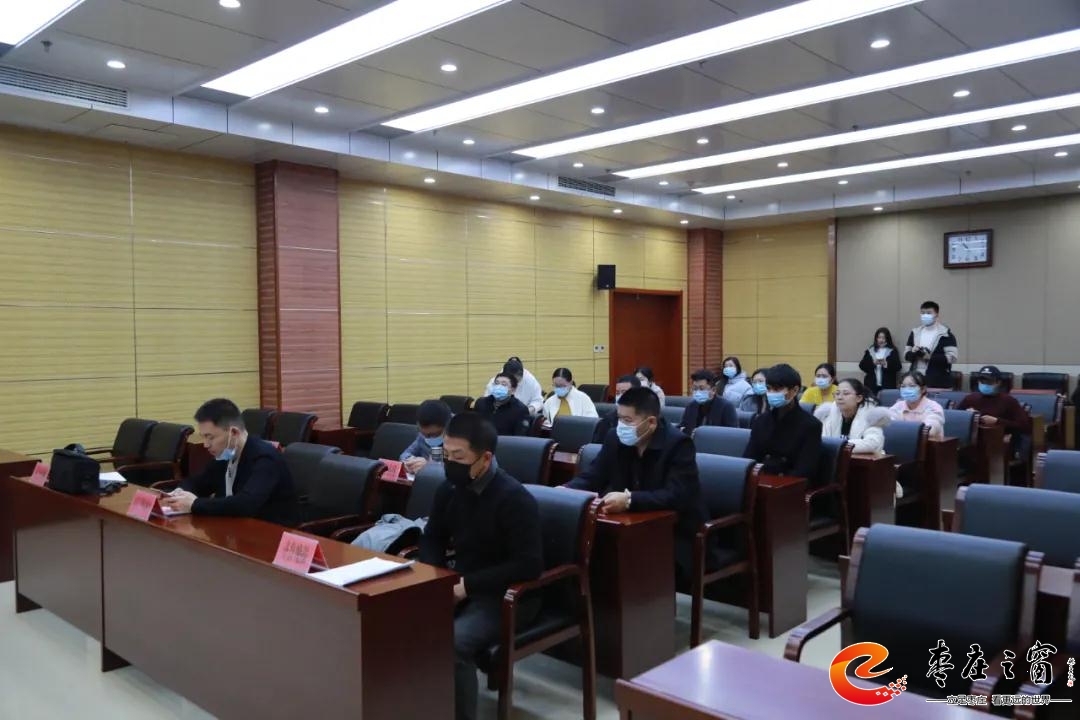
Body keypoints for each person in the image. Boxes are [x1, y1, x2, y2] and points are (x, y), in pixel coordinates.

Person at [418, 413, 542, 720]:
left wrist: (467, 586)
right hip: (461, 584)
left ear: (485, 459)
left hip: (507, 596)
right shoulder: (449, 489)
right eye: (446, 455)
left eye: (459, 457)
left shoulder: (515, 499)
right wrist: (435, 577)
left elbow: (528, 565)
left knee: (453, 643)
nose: (450, 464)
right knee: (401, 620)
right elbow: (432, 537)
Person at [568, 386, 712, 583]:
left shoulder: (678, 444)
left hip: (676, 532)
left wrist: (630, 500)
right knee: (593, 553)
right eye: (619, 418)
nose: (621, 426)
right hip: (630, 526)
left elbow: (676, 495)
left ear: (651, 422)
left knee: (631, 564)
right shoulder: (614, 437)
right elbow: (593, 476)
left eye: (627, 421)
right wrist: (566, 491)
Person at [160, 398, 298, 525]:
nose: (206, 444)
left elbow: (246, 504)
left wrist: (194, 504)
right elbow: (198, 482)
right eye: (204, 437)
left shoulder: (265, 458)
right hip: (233, 526)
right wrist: (179, 493)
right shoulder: (226, 454)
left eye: (210, 437)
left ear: (234, 433)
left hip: (268, 531)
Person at [744, 364, 822, 483]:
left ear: (795, 390)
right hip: (759, 482)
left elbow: (805, 471)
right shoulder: (761, 421)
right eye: (768, 388)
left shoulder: (810, 425)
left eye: (777, 389)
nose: (771, 393)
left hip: (787, 485)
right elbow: (749, 459)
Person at [958, 366, 1031, 456]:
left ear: (998, 382)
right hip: (972, 442)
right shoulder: (970, 399)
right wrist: (966, 416)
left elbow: (1024, 426)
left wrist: (997, 421)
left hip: (998, 442)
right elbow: (954, 419)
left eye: (989, 382)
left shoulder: (1008, 401)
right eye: (982, 381)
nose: (985, 384)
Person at [815, 379, 892, 454]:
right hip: (837, 459)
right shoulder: (829, 415)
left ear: (859, 398)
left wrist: (838, 445)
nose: (840, 397)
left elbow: (872, 444)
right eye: (837, 393)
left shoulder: (871, 417)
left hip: (865, 460)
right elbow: (821, 440)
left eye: (846, 394)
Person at [904, 301, 958, 389]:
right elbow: (906, 356)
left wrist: (929, 357)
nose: (925, 315)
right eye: (923, 313)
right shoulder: (915, 332)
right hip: (916, 381)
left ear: (936, 315)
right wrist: (914, 353)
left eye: (929, 313)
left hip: (938, 381)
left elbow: (952, 358)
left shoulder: (946, 334)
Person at [400, 399, 453, 475]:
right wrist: (410, 462)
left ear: (448, 426)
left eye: (433, 434)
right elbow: (405, 454)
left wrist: (429, 466)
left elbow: (459, 469)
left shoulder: (462, 437)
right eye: (424, 434)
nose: (428, 438)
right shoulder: (422, 434)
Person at [888, 371, 945, 439]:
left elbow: (929, 431)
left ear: (923, 389)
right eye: (903, 386)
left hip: (927, 444)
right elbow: (886, 425)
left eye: (912, 386)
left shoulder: (934, 407)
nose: (907, 390)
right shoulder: (898, 406)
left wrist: (899, 429)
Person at [472, 371, 531, 436]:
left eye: (504, 384)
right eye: (496, 383)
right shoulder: (481, 403)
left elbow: (520, 438)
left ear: (513, 390)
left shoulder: (520, 410)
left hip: (505, 441)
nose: (499, 387)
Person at [592, 374, 640, 442]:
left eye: (624, 392)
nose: (620, 397)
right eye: (617, 393)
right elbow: (598, 445)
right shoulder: (608, 420)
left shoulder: (646, 418)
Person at [859, 327, 902, 394]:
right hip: (871, 385)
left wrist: (886, 364)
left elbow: (898, 367)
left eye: (883, 338)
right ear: (876, 338)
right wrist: (873, 363)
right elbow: (862, 366)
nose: (881, 340)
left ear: (887, 339)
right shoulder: (870, 350)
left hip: (887, 384)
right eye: (879, 337)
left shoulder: (892, 351)